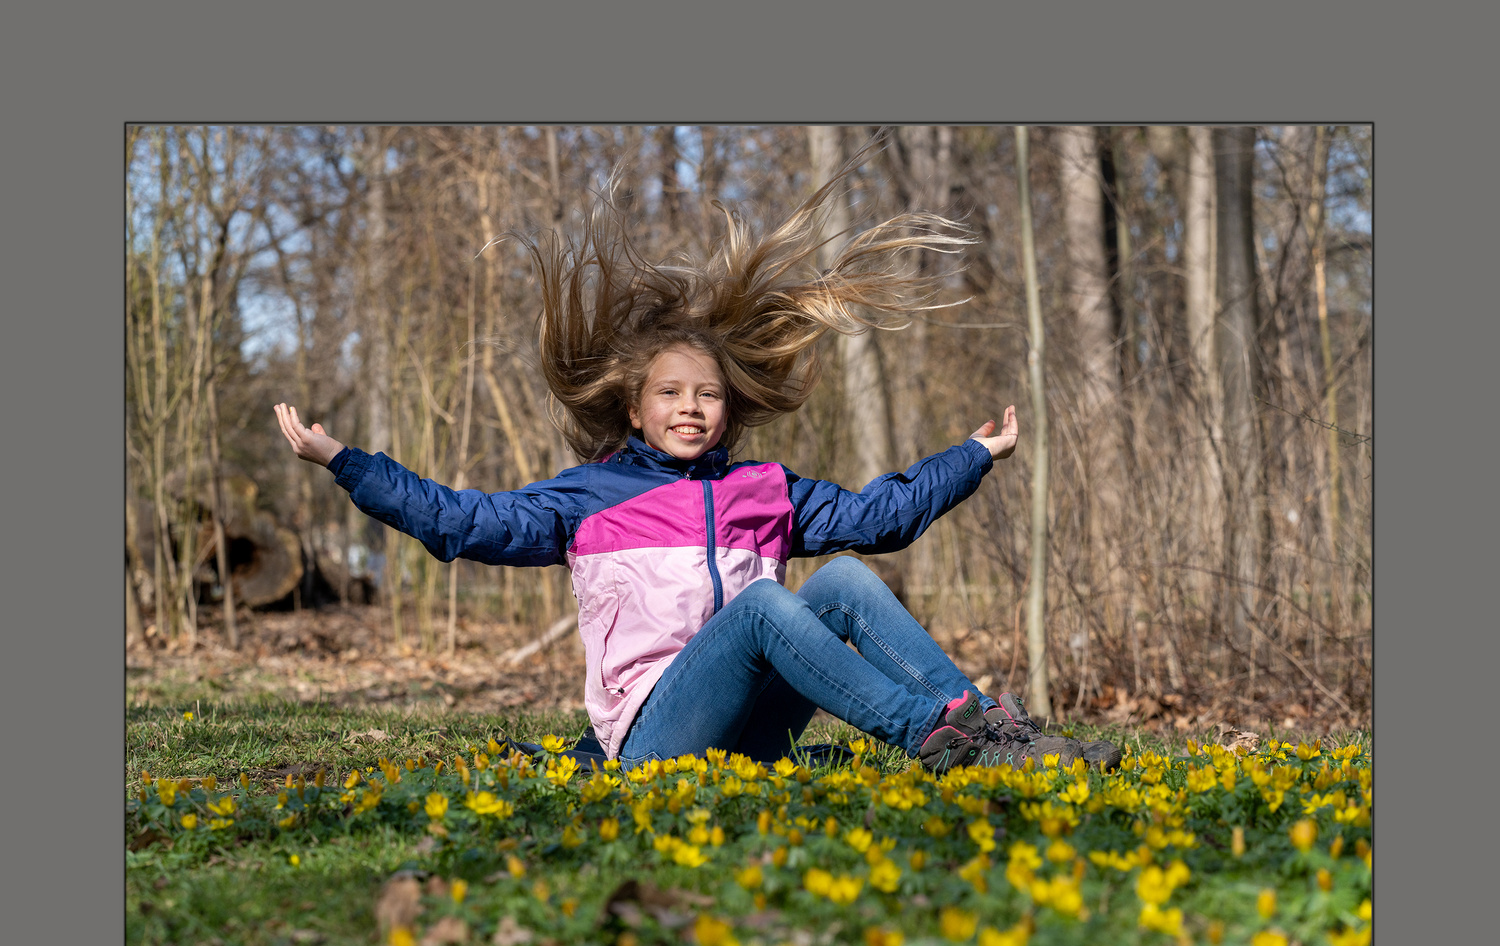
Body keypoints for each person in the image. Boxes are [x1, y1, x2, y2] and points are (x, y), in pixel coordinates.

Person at [274, 145, 1120, 775]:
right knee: (762, 609)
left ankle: (981, 726)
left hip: (749, 736)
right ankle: (936, 744)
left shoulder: (764, 490)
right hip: (655, 741)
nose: (690, 408)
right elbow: (459, 524)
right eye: (671, 394)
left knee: (846, 581)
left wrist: (972, 455)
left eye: (707, 396)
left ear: (729, 409)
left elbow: (880, 515)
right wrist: (346, 461)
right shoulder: (590, 497)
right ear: (635, 408)